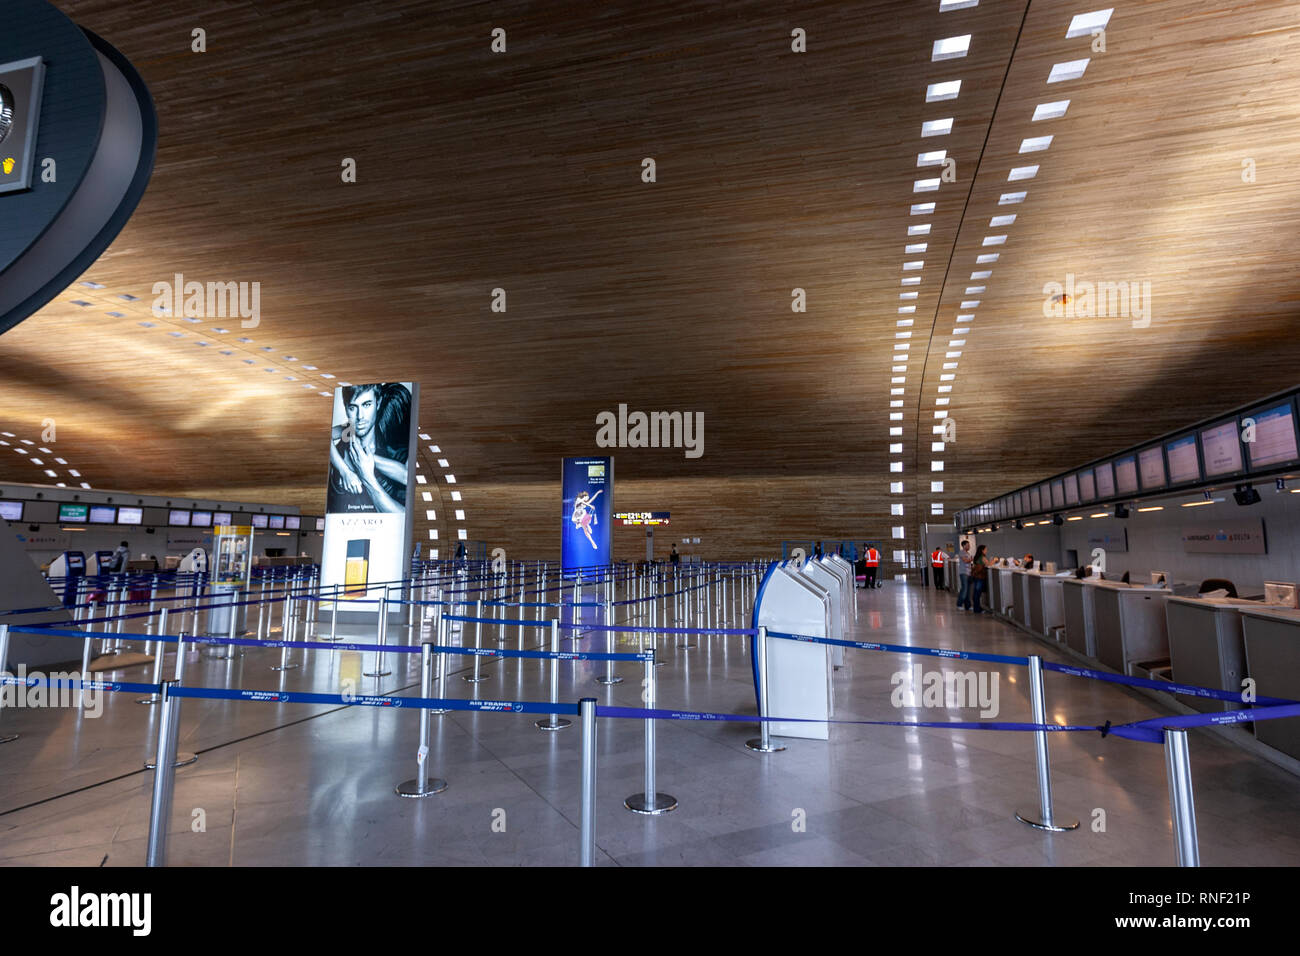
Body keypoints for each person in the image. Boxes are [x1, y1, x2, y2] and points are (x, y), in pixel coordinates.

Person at [328, 383, 411, 514]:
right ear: (345, 408)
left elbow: (407, 477)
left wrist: (366, 459)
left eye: (367, 405)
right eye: (353, 407)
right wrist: (345, 472)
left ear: (378, 403)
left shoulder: (393, 449)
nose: (360, 416)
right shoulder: (341, 442)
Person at [970, 544, 990, 613]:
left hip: (976, 576)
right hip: (980, 577)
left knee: (976, 593)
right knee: (977, 593)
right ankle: (977, 609)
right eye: (985, 549)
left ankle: (976, 608)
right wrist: (995, 560)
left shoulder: (976, 557)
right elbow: (988, 564)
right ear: (982, 550)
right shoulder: (982, 557)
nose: (986, 551)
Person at [956, 540, 973, 610]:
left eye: (969, 545)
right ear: (963, 546)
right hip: (963, 573)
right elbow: (965, 561)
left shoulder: (968, 553)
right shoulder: (962, 552)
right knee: (964, 589)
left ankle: (967, 606)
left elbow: (969, 562)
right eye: (967, 545)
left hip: (968, 573)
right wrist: (971, 559)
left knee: (968, 590)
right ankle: (959, 604)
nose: (969, 546)